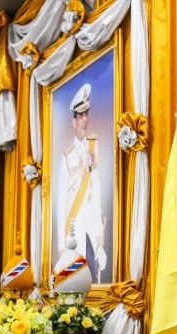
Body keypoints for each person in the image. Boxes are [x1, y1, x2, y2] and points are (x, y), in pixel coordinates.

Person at [55, 83, 107, 279]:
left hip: (91, 230)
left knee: (92, 280)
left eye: (87, 114)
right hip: (73, 234)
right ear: (74, 121)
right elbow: (61, 203)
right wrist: (61, 245)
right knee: (75, 284)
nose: (85, 119)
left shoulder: (93, 146)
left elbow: (96, 187)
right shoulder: (66, 158)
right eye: (80, 115)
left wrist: (99, 234)